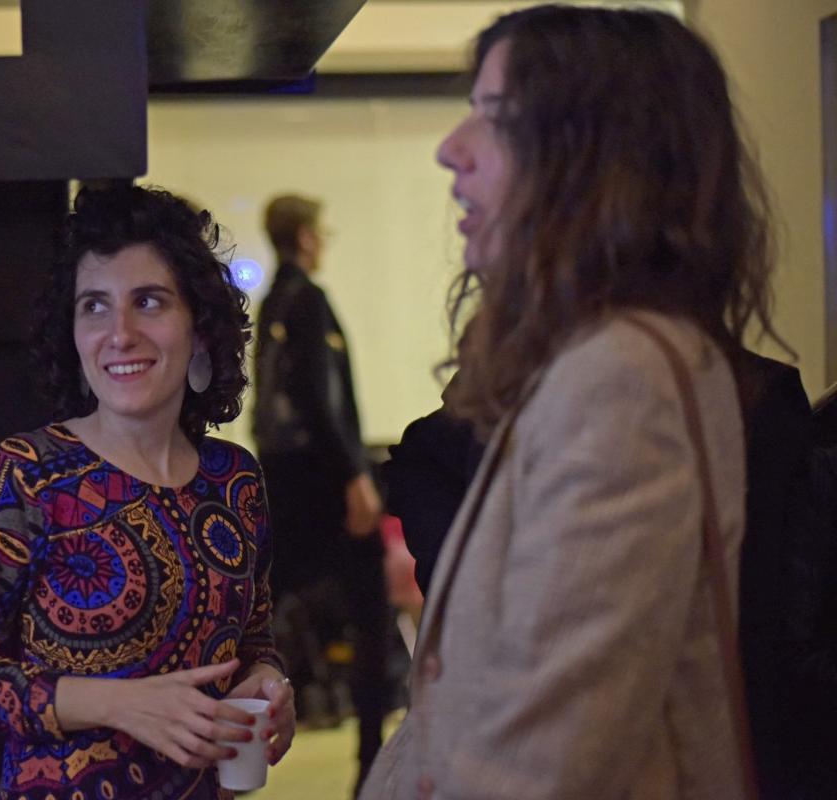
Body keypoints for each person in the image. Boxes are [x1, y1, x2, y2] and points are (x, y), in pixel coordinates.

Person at [360, 6, 782, 798]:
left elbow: (547, 754)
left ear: (593, 157)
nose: (452, 149)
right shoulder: (602, 359)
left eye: (494, 117)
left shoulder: (619, 377)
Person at [0, 184, 295, 800]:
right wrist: (121, 704)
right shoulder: (29, 474)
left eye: (148, 302)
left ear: (201, 330)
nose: (119, 333)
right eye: (94, 306)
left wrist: (270, 682)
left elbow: (254, 639)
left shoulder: (235, 479)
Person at [251, 194, 389, 794]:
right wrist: (356, 474)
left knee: (264, 609)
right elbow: (320, 395)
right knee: (371, 614)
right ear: (306, 237)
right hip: (323, 483)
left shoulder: (272, 301)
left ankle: (237, 752)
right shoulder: (309, 299)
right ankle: (372, 758)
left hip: (283, 479)